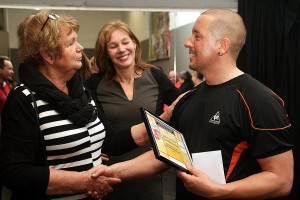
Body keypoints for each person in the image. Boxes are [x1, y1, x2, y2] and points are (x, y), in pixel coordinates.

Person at [91, 9, 294, 200]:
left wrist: (218, 192)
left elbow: (281, 179)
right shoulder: (187, 99)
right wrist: (113, 171)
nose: (188, 42)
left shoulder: (259, 100)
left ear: (221, 46)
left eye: (197, 36)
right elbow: (163, 157)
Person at [0, 10, 178, 200]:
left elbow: (110, 142)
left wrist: (161, 121)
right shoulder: (25, 99)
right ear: (48, 55)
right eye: (70, 43)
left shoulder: (82, 93)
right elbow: (15, 172)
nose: (80, 47)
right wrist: (84, 182)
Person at [85, 19, 180, 200]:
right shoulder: (94, 84)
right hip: (109, 176)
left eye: (125, 42)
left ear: (135, 43)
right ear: (105, 52)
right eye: (113, 46)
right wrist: (94, 146)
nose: (121, 49)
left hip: (150, 174)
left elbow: (182, 109)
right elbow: (90, 127)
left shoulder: (156, 76)